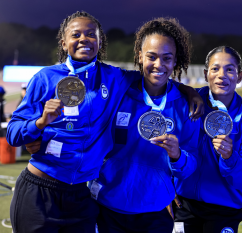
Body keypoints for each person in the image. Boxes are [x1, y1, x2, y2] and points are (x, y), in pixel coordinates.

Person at [6, 11, 142, 233]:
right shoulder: (46, 77)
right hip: (39, 192)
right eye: (76, 34)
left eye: (91, 34)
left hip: (81, 196)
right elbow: (13, 133)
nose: (83, 39)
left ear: (99, 41)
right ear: (64, 42)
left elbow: (154, 77)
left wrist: (188, 91)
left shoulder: (115, 77)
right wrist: (40, 122)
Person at [91, 18, 200, 233]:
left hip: (155, 212)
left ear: (175, 60)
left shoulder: (184, 106)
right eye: (151, 56)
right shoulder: (119, 92)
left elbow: (190, 166)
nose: (159, 64)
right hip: (108, 207)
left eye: (166, 58)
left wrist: (177, 155)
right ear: (140, 56)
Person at [173, 46, 242, 233]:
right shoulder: (186, 103)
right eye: (215, 68)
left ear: (239, 76)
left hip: (225, 209)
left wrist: (230, 157)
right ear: (206, 74)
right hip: (184, 204)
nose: (222, 75)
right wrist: (166, 189)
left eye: (230, 69)